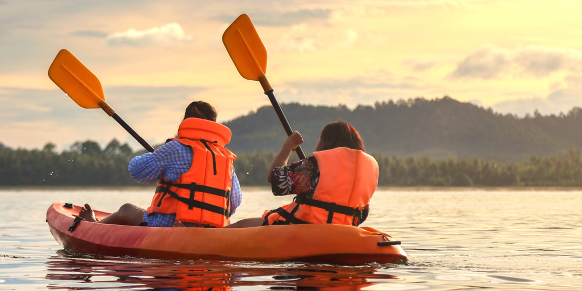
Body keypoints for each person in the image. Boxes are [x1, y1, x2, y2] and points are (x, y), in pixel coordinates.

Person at [79, 101, 241, 228]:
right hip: (211, 231)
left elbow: (137, 172)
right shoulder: (226, 159)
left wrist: (157, 155)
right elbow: (234, 203)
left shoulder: (175, 148)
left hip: (167, 227)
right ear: (213, 125)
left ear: (186, 121)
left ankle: (93, 225)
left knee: (126, 209)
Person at [227, 120, 378, 228]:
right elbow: (362, 215)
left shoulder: (315, 165)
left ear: (326, 143)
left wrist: (288, 146)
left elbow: (276, 180)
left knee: (242, 225)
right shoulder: (369, 170)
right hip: (344, 232)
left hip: (304, 229)